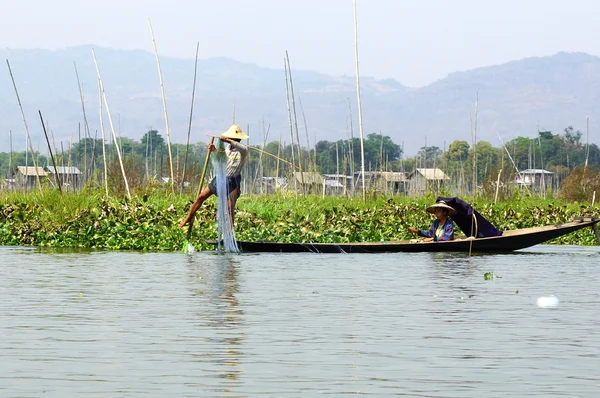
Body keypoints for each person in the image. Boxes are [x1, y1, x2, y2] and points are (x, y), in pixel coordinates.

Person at [179, 124, 249, 227]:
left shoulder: (243, 151)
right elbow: (222, 159)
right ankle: (188, 218)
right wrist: (214, 150)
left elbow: (242, 147)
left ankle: (230, 233)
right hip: (220, 177)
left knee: (230, 208)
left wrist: (228, 140)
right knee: (201, 197)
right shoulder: (228, 148)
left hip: (232, 181)